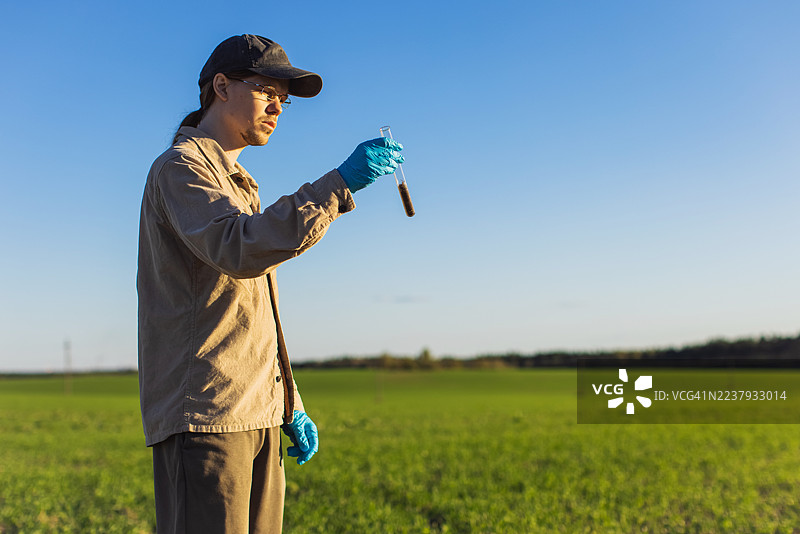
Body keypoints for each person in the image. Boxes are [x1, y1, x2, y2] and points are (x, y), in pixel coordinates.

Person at [137, 34, 404, 533]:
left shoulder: (240, 185)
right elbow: (238, 248)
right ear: (222, 87)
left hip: (257, 412)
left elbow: (253, 313)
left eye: (284, 98)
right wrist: (338, 184)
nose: (279, 106)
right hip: (208, 418)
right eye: (267, 91)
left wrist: (288, 402)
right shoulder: (180, 169)